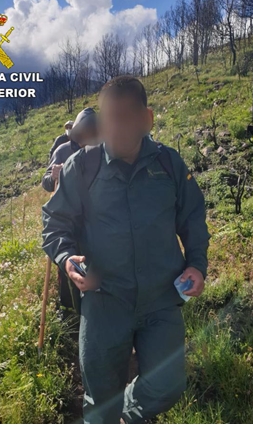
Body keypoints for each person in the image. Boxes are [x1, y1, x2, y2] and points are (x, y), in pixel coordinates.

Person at [41, 75, 210, 424]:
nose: (113, 128)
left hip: (161, 298)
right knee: (100, 401)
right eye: (107, 118)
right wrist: (67, 258)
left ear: (146, 119)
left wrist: (196, 264)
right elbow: (55, 224)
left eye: (123, 117)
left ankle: (128, 415)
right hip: (105, 300)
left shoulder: (169, 164)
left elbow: (193, 219)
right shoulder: (82, 167)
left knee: (167, 385)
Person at [41, 107, 99, 319]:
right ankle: (68, 311)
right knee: (66, 261)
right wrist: (54, 174)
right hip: (67, 215)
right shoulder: (63, 150)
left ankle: (93, 308)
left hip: (93, 217)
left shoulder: (101, 149)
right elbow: (46, 183)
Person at [42, 108, 98, 193]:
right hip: (70, 204)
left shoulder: (104, 150)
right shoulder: (62, 151)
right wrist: (53, 176)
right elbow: (45, 183)